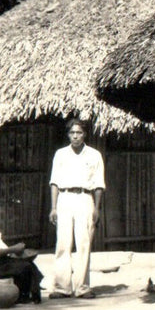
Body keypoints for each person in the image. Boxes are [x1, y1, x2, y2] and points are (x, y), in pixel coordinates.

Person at [48, 118, 105, 299]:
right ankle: (61, 287)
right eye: (72, 133)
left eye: (79, 133)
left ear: (85, 134)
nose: (75, 136)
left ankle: (82, 287)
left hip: (85, 198)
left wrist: (96, 208)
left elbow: (98, 184)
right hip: (65, 198)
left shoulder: (94, 155)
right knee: (63, 244)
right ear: (68, 135)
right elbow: (55, 182)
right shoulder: (60, 154)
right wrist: (53, 207)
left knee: (84, 243)